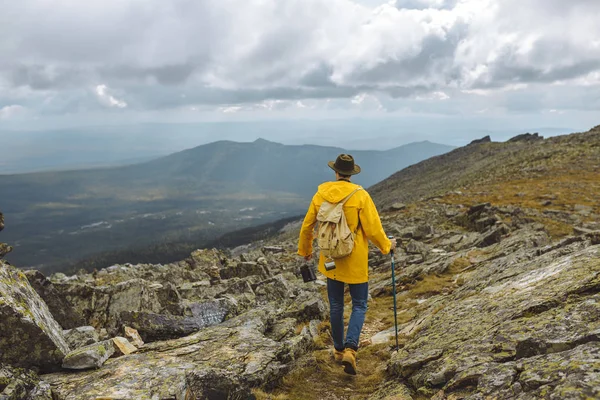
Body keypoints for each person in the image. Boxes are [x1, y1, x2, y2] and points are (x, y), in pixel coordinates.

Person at [297, 153, 396, 375]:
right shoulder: (360, 196)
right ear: (351, 174)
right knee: (359, 304)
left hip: (330, 259)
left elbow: (307, 226)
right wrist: (387, 246)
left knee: (335, 305)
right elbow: (373, 229)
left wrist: (305, 251)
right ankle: (351, 349)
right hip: (354, 260)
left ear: (336, 172)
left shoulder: (320, 194)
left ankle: (338, 349)